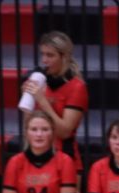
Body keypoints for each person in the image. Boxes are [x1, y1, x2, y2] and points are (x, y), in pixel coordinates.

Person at [20, 31, 89, 179]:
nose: (44, 60)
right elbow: (28, 126)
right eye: (42, 54)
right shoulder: (41, 82)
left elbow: (65, 132)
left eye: (50, 55)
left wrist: (42, 102)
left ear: (64, 57)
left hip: (65, 158)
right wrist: (28, 101)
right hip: (37, 156)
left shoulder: (77, 87)